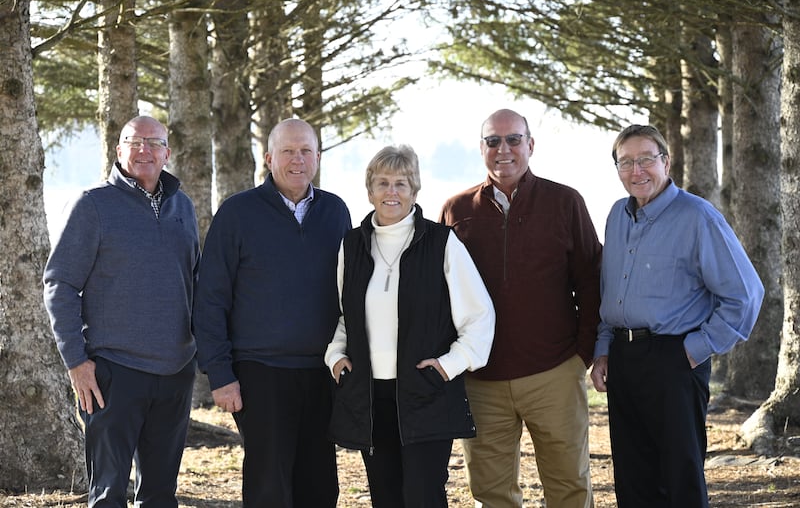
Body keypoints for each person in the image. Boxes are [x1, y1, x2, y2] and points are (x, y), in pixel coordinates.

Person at [589, 124, 764, 508]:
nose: (637, 171)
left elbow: (746, 294)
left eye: (646, 160)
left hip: (674, 360)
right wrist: (602, 348)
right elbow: (610, 290)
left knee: (679, 479)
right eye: (626, 162)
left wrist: (695, 349)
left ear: (666, 162)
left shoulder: (698, 216)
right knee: (632, 479)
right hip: (622, 359)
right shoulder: (617, 215)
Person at [439, 108, 601, 508]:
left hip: (555, 373)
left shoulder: (565, 202)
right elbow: (440, 293)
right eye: (493, 141)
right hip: (482, 379)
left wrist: (582, 354)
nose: (504, 149)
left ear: (530, 145)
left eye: (513, 139)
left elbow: (591, 280)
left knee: (569, 487)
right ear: (481, 148)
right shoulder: (456, 211)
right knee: (492, 494)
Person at [325, 145, 495, 507]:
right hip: (370, 396)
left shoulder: (441, 242)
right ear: (370, 191)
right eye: (383, 183)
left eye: (401, 183)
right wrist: (336, 356)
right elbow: (343, 316)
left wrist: (448, 365)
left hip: (426, 391)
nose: (392, 192)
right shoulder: (351, 246)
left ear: (415, 191)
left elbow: (479, 316)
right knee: (385, 496)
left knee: (422, 496)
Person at [42, 116, 200, 507]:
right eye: (134, 141)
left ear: (167, 153)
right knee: (108, 494)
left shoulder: (182, 205)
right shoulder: (92, 204)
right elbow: (60, 284)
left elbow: (195, 282)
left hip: (176, 372)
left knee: (160, 495)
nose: (144, 150)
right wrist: (76, 363)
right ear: (118, 150)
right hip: (113, 373)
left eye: (154, 142)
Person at [192, 118, 350, 507]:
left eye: (306, 151)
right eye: (288, 151)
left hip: (322, 372)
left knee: (320, 486)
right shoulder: (237, 213)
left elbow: (351, 293)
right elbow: (210, 298)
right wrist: (220, 374)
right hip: (259, 372)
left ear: (317, 157)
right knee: (269, 487)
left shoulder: (335, 211)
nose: (298, 160)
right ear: (268, 158)